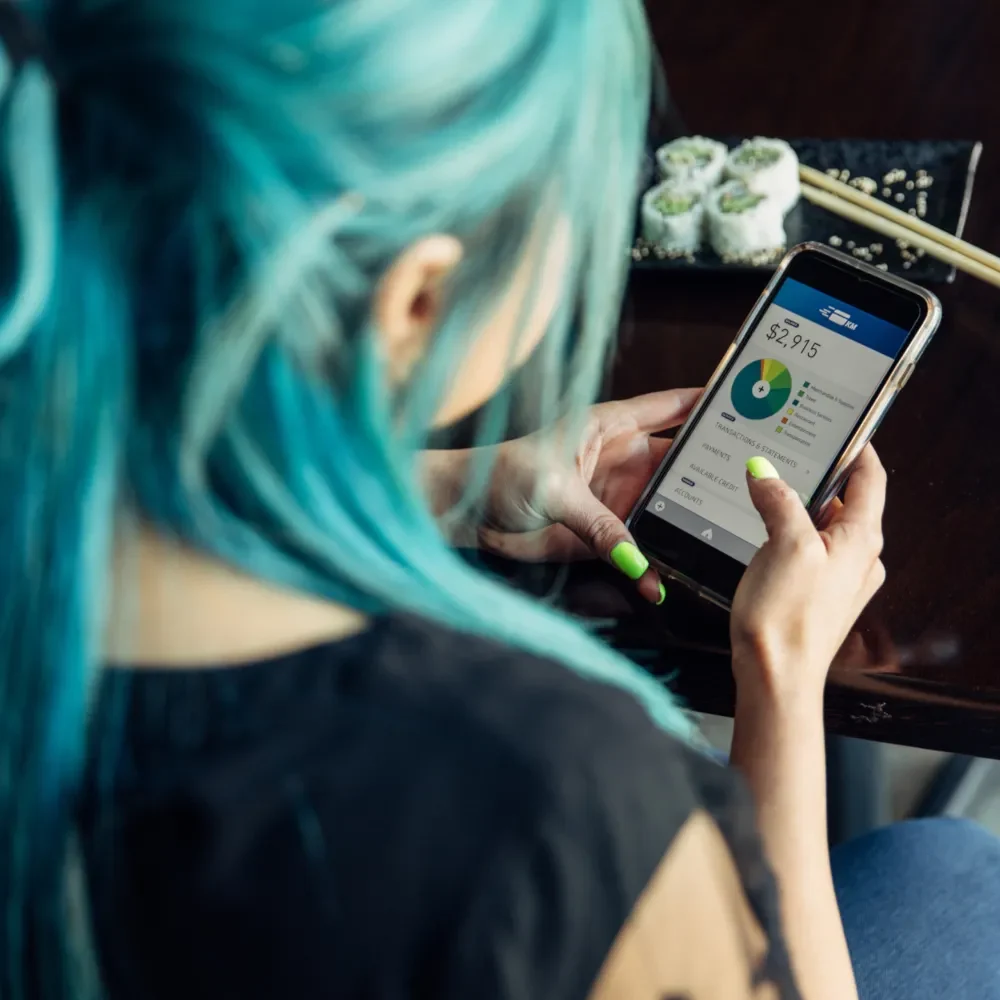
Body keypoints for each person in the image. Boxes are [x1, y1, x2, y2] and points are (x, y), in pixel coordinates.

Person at [2, 2, 998, 999]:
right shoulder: (552, 790)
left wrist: (448, 487)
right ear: (419, 297)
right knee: (961, 880)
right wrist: (778, 669)